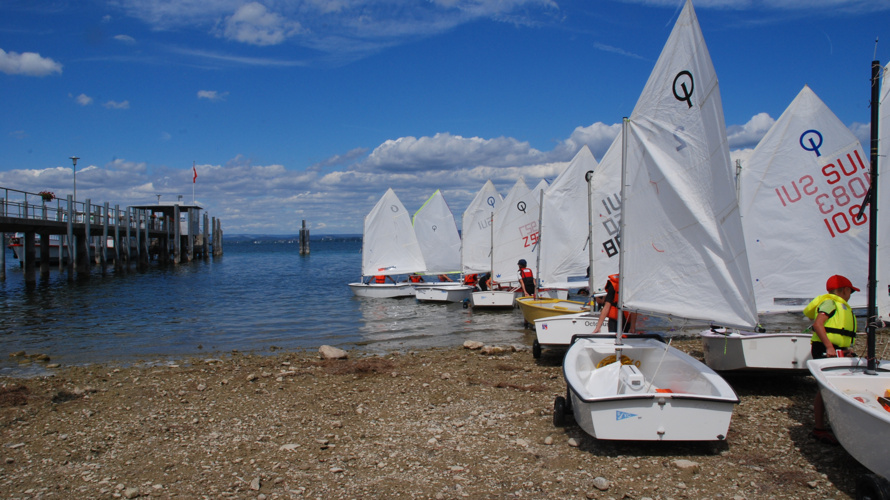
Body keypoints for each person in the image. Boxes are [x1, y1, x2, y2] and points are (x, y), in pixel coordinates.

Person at [805, 274, 859, 445]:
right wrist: (829, 347)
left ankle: (833, 424)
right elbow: (818, 324)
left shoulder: (840, 305)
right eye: (850, 291)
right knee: (825, 388)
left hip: (834, 349)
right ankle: (819, 429)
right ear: (844, 290)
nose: (850, 295)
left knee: (834, 386)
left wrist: (845, 350)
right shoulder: (830, 303)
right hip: (824, 349)